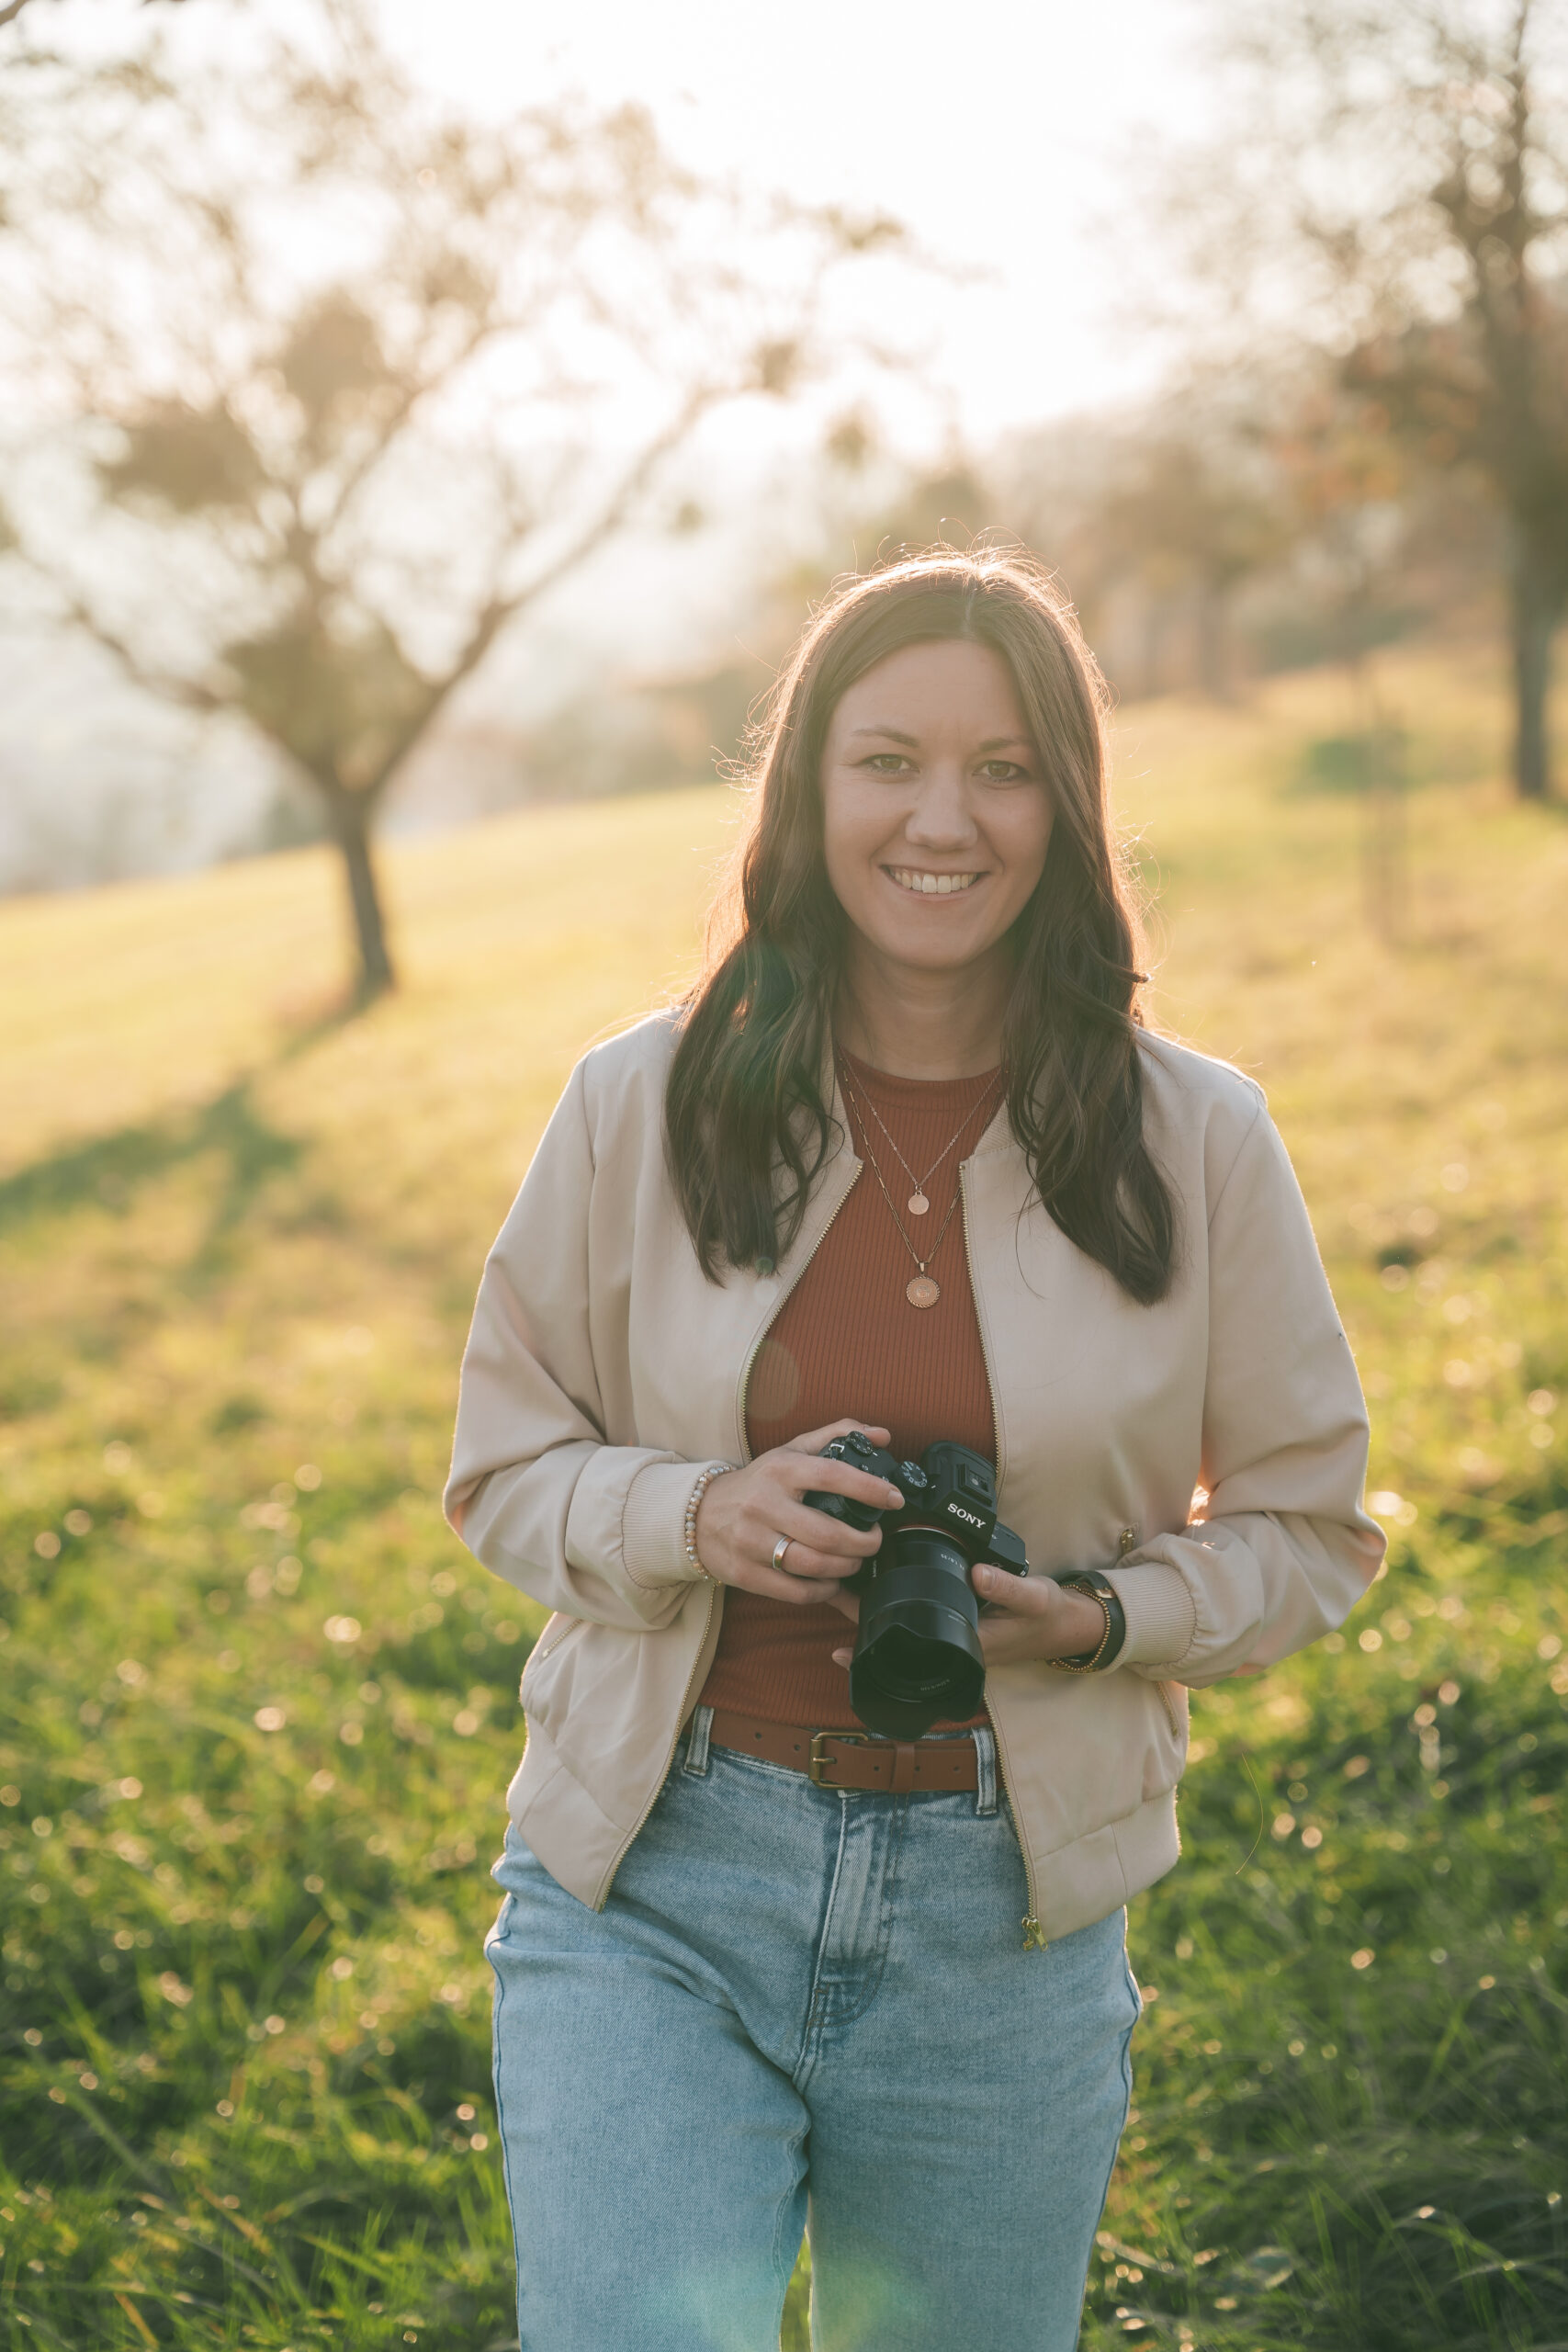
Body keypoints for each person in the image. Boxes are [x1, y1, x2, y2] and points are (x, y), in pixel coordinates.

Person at [444, 550, 1384, 2352]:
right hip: (653, 1870)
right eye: (885, 759)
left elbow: (1309, 1529)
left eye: (1003, 765)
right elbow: (501, 1468)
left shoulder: (1198, 1137)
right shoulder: (632, 1102)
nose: (940, 817)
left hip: (1001, 1910)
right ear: (803, 789)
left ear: (1065, 802)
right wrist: (693, 1511)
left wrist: (1097, 1617)